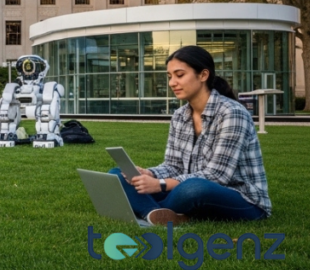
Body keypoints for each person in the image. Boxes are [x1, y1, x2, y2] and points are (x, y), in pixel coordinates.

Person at [110, 45, 271, 225]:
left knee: (193, 188)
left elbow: (217, 176)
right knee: (119, 175)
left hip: (241, 199)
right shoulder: (180, 116)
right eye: (170, 77)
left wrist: (160, 184)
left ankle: (146, 208)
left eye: (179, 75)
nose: (172, 83)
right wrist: (150, 173)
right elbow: (173, 165)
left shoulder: (232, 113)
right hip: (185, 188)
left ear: (203, 75)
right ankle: (157, 213)